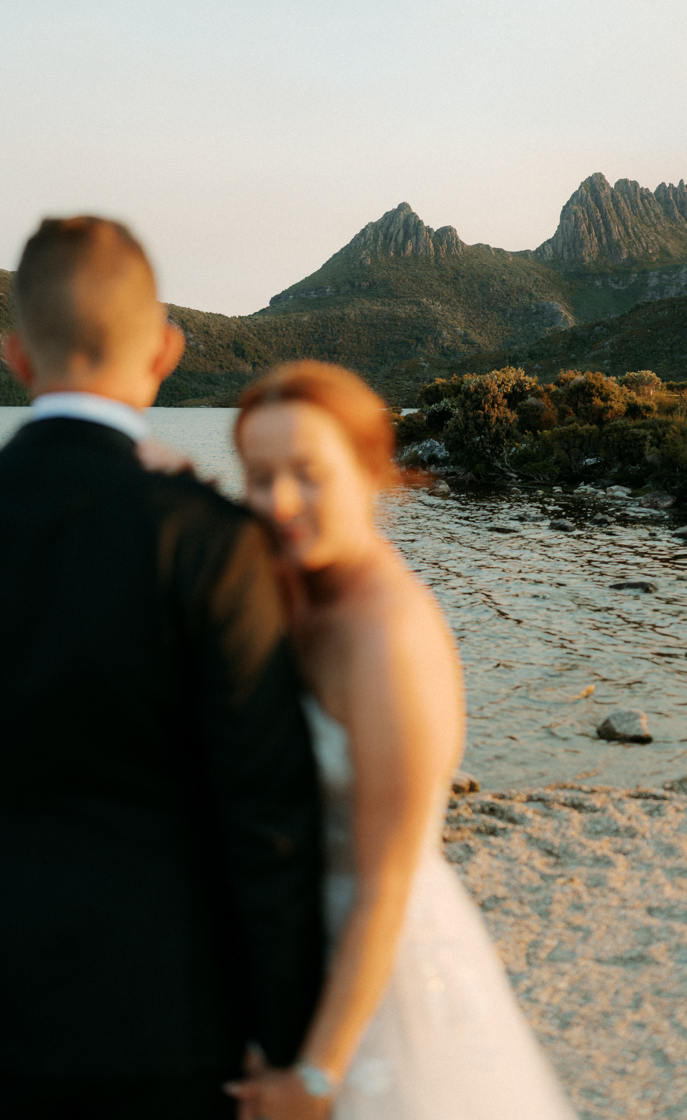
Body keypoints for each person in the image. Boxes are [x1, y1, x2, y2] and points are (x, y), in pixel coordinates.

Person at [0, 219, 324, 1120]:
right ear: (168, 350)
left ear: (16, 355)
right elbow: (269, 817)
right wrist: (291, 1051)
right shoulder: (209, 540)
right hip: (164, 1029)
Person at [223, 362, 578, 1120]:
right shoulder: (299, 582)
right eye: (259, 477)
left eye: (307, 474)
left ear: (367, 470)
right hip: (301, 947)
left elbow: (388, 882)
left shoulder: (390, 635)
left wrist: (317, 1078)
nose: (279, 501)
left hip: (382, 977)